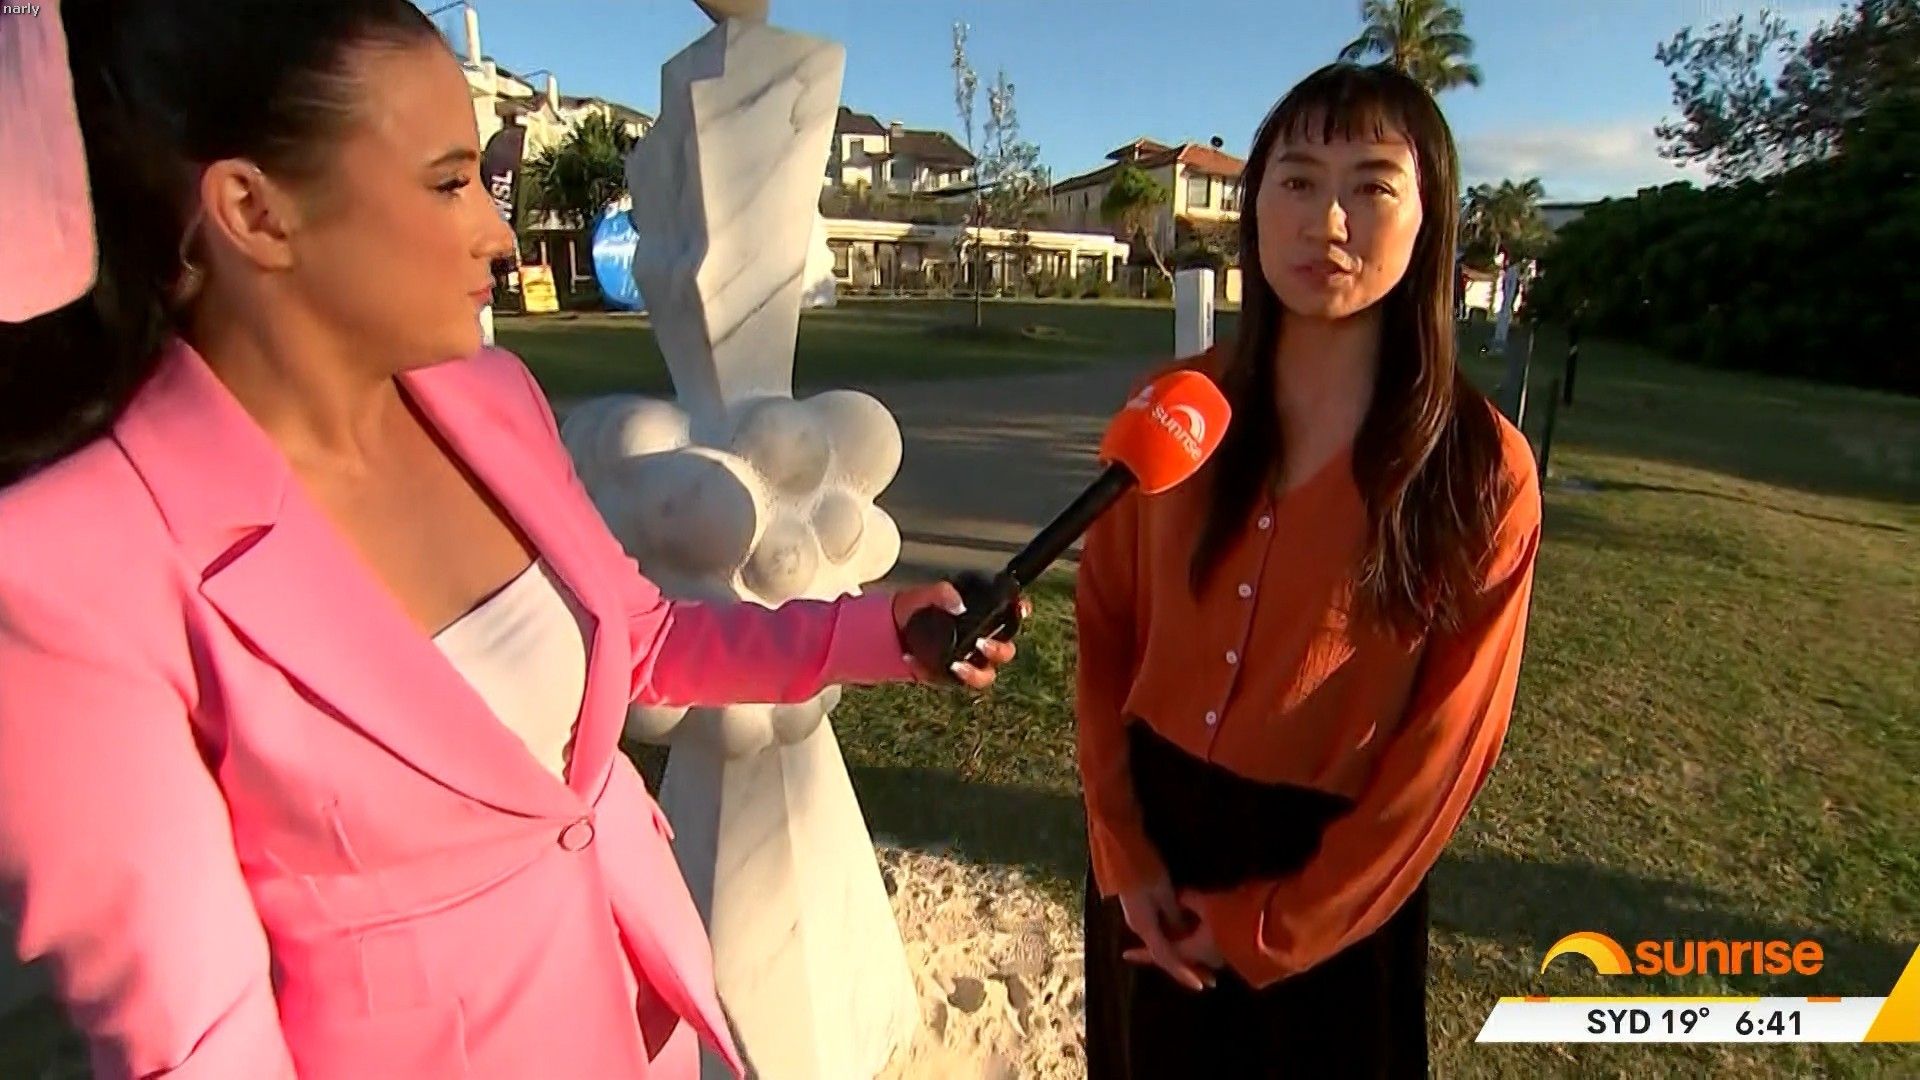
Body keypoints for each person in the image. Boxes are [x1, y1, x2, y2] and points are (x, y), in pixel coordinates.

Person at [0, 3, 1022, 1077]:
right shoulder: (71, 568)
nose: (498, 231)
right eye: (450, 183)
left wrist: (882, 632)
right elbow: (200, 1043)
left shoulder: (489, 398)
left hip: (649, 1030)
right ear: (254, 211)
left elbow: (642, 638)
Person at [1075, 62, 1542, 1078]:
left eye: (1372, 185)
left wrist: (1271, 926)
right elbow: (1104, 631)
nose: (1327, 220)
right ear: (1254, 208)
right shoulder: (1173, 407)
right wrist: (1124, 853)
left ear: (1430, 218)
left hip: (1332, 897)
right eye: (1296, 181)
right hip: (1150, 859)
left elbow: (1446, 751)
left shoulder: (1482, 469)